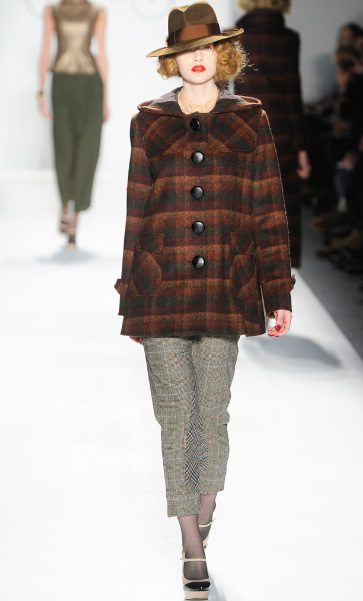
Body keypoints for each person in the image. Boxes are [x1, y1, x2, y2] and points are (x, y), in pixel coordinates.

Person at [114, 2, 294, 598]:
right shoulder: (149, 122)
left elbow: (269, 207)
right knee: (175, 417)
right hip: (160, 289)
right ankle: (192, 542)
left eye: (206, 48)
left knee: (211, 414)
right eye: (185, 50)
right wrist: (129, 296)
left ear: (222, 54)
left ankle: (204, 506)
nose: (196, 58)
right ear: (173, 60)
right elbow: (136, 210)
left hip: (226, 287)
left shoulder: (250, 119)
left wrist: (277, 290)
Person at [234, 0, 311, 267]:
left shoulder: (235, 36)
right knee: (282, 203)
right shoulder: (288, 39)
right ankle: (279, 269)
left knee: (247, 202)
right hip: (282, 131)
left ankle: (247, 264)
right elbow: (292, 94)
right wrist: (302, 148)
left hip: (245, 128)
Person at [37, 0, 109, 249]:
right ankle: (65, 205)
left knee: (87, 151)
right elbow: (46, 51)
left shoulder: (97, 12)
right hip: (62, 84)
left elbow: (102, 54)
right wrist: (40, 93)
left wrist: (105, 98)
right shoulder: (53, 11)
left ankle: (74, 219)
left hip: (91, 86)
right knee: (64, 149)